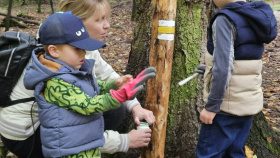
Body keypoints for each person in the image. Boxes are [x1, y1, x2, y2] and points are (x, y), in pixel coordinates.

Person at [0, 0, 155, 157]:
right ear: (77, 21)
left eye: (106, 18)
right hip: (26, 137)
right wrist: (124, 141)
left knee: (115, 108)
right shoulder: (57, 73)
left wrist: (135, 106)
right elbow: (75, 128)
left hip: (41, 127)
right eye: (99, 19)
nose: (107, 25)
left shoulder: (69, 46)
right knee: (110, 107)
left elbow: (106, 75)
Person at [196, 0, 277, 157]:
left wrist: (212, 107)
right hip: (248, 102)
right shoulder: (255, 16)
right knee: (234, 153)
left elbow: (224, 67)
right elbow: (242, 57)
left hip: (226, 106)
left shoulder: (225, 19)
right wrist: (208, 69)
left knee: (208, 154)